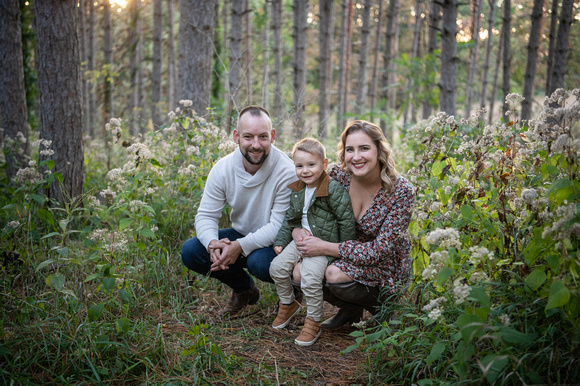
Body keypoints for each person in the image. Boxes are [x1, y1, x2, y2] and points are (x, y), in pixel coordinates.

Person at [291, 120, 415, 329]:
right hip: (343, 253)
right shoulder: (338, 176)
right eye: (350, 149)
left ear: (379, 150)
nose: (356, 157)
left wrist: (325, 247)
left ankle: (386, 310)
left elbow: (379, 251)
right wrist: (296, 228)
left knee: (334, 274)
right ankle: (350, 310)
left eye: (364, 148)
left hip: (383, 264)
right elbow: (307, 206)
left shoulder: (401, 191)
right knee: (299, 272)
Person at [180, 105, 297, 317]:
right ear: (236, 137)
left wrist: (240, 247)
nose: (256, 144)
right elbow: (206, 215)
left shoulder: (287, 171)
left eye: (262, 137)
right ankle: (245, 290)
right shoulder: (223, 168)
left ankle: (293, 293)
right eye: (248, 136)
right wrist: (212, 243)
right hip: (242, 234)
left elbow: (278, 227)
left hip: (278, 243)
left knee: (259, 262)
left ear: (272, 136)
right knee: (192, 251)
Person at [269, 138, 356, 346]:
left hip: (323, 243)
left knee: (309, 278)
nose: (305, 171)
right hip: (300, 240)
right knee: (276, 268)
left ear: (324, 164)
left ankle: (313, 321)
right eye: (299, 166)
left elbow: (346, 219)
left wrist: (342, 251)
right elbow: (290, 219)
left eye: (311, 165)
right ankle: (288, 303)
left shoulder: (332, 190)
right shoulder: (298, 189)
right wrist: (281, 240)